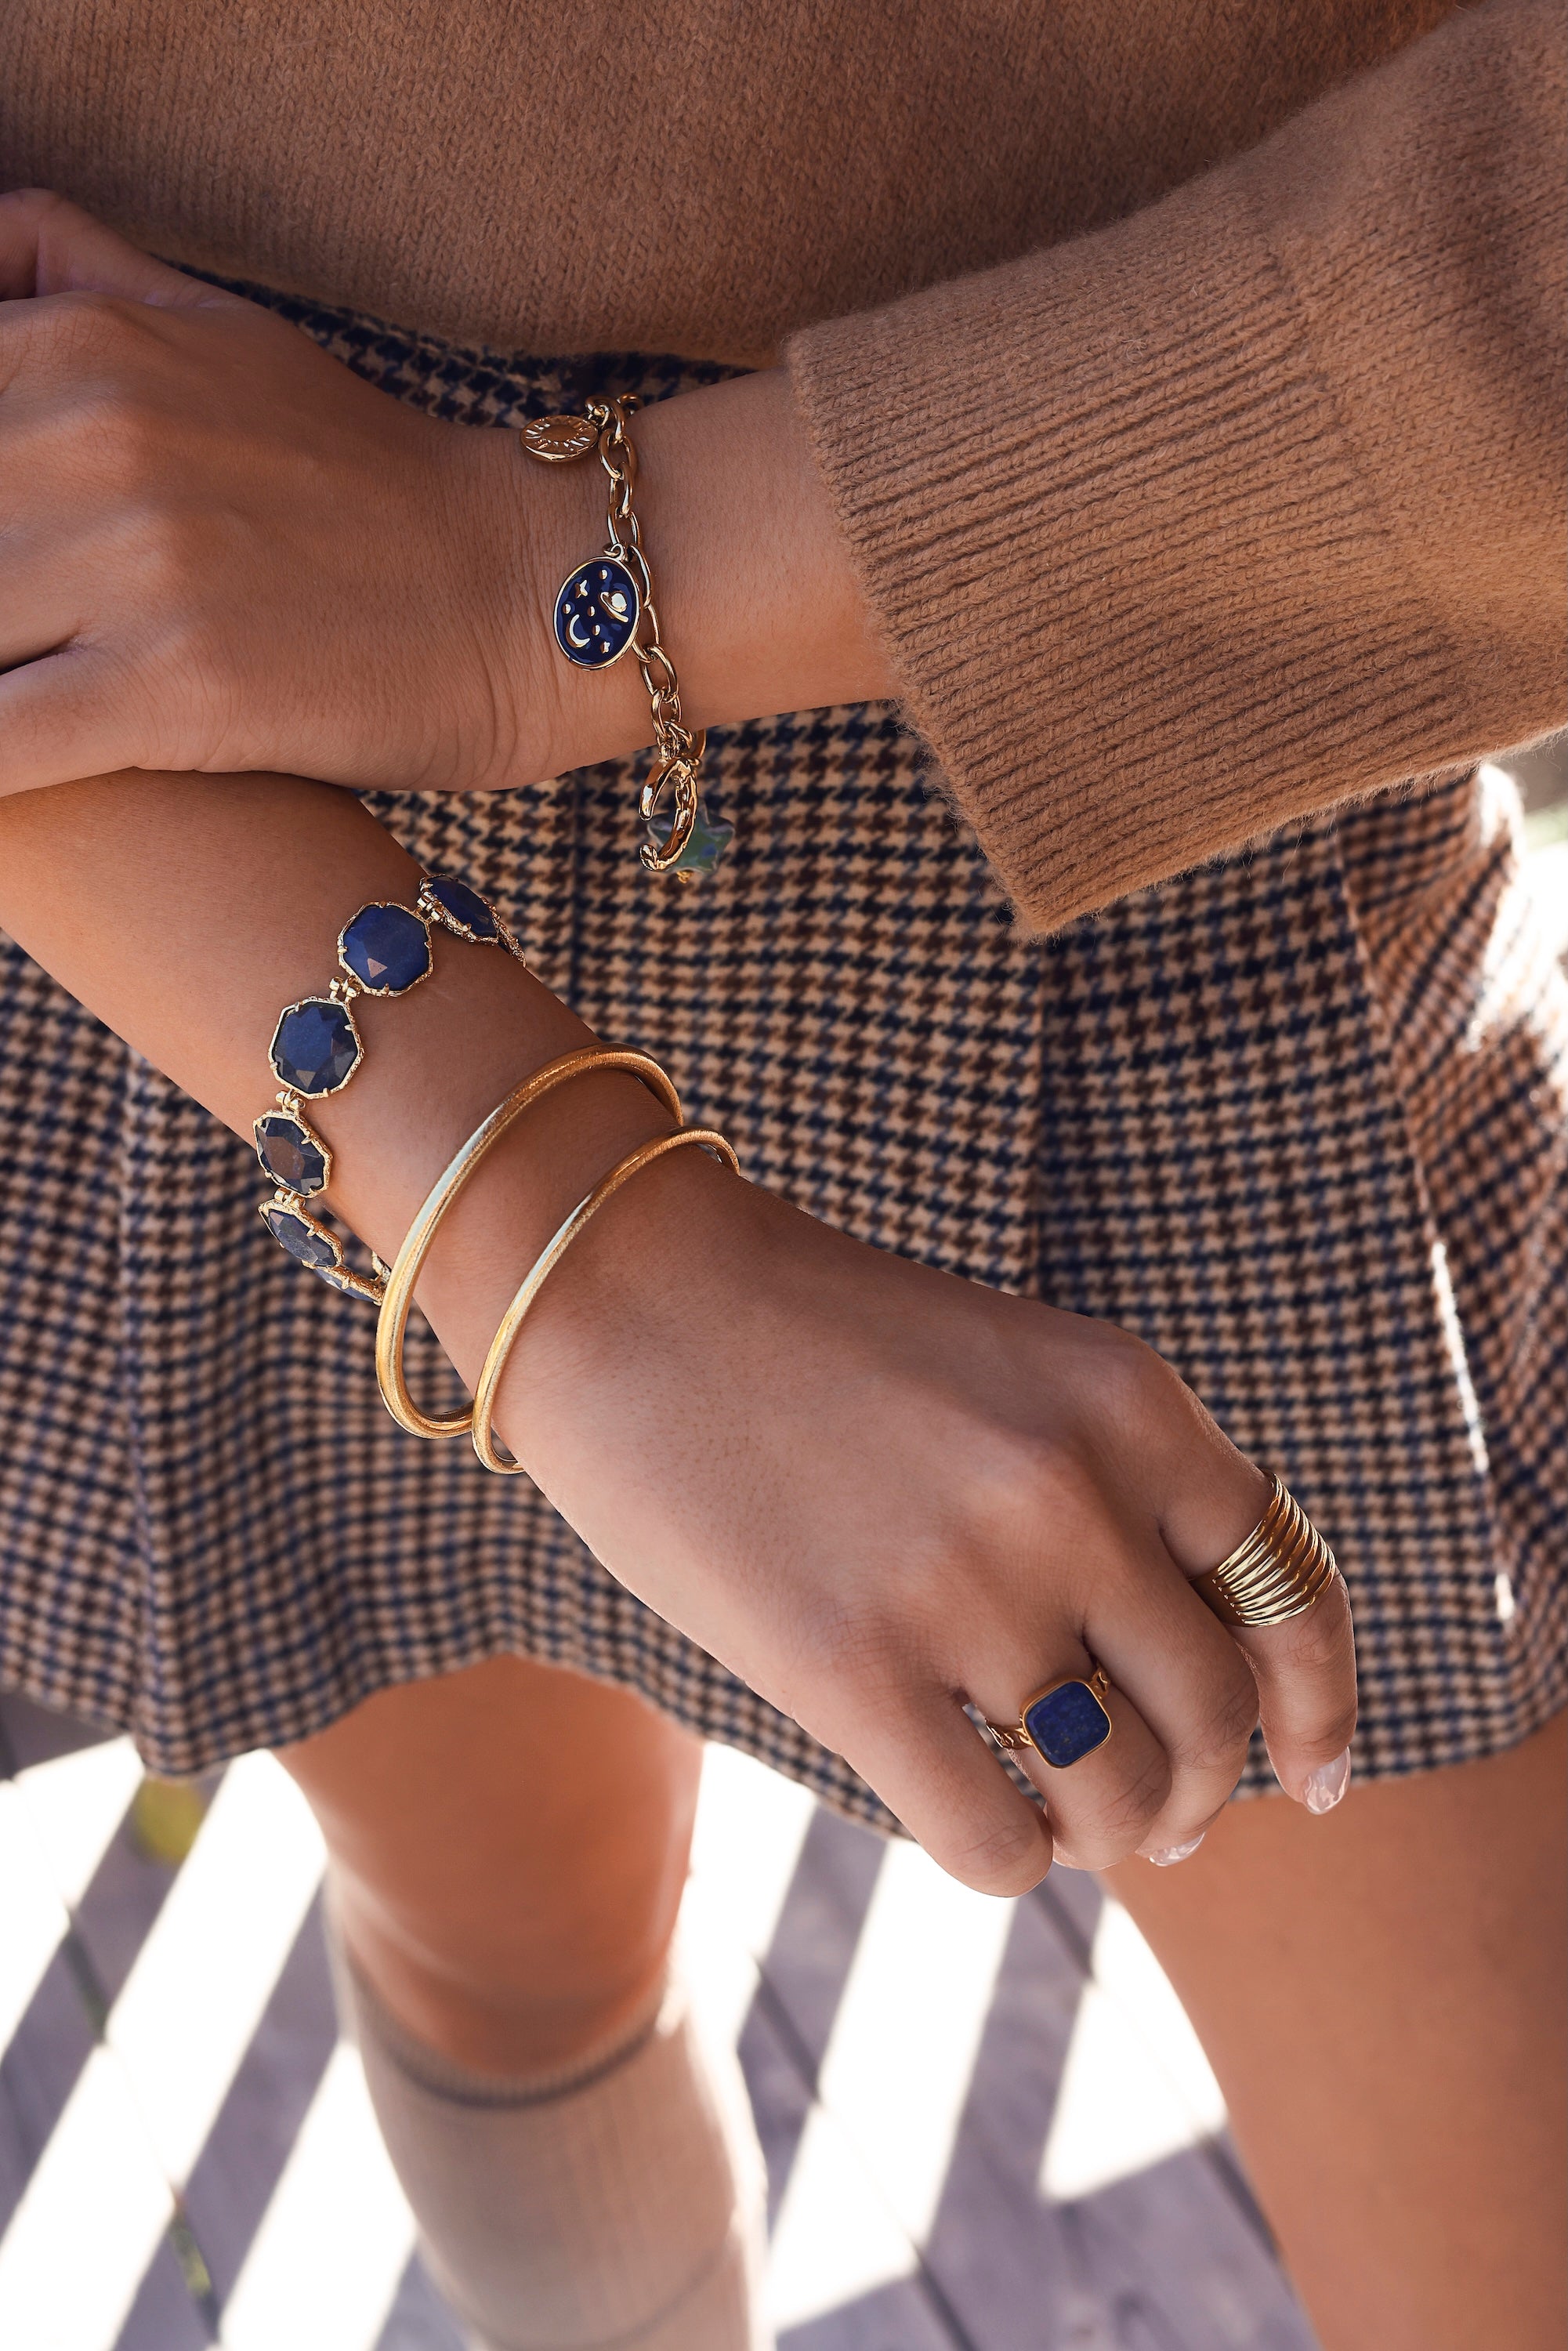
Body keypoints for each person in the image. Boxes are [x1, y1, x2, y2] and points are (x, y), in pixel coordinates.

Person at [0, 3, 1563, 2346]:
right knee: (504, 1977)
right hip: (175, 732)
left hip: (1145, 678)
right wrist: (571, 1255)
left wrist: (533, 580)